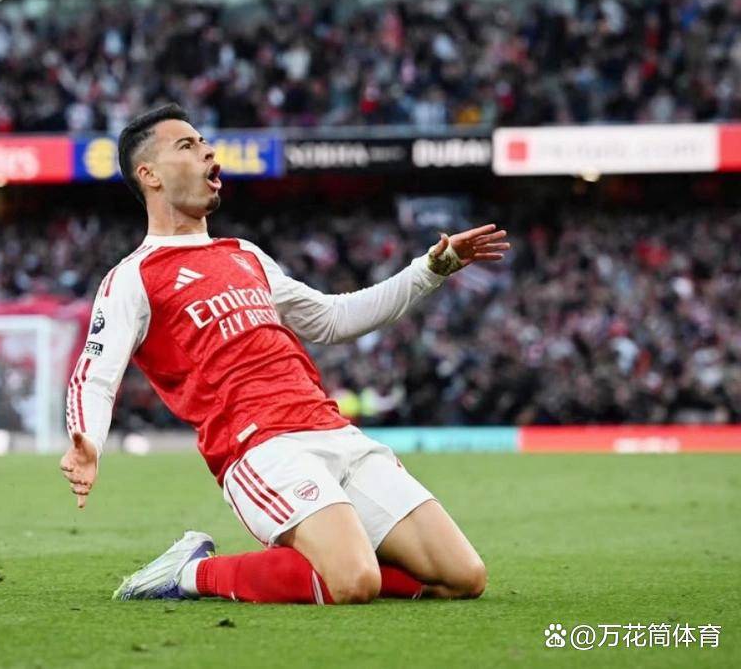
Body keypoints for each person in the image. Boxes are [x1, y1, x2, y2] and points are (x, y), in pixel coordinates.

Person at [60, 103, 510, 605]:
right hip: (261, 448)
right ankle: (191, 572)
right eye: (187, 145)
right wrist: (88, 441)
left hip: (334, 432)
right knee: (353, 582)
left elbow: (333, 318)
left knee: (463, 577)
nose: (207, 150)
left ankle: (335, 557)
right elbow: (94, 374)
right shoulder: (133, 277)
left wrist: (430, 269)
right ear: (150, 175)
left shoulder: (245, 255)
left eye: (205, 142)